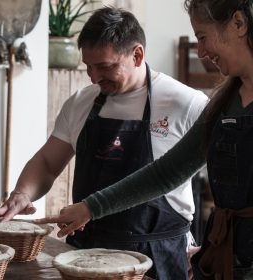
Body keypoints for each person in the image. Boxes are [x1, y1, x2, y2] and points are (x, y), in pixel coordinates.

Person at [0, 7, 209, 280]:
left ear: (137, 55)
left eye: (105, 66)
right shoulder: (81, 102)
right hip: (87, 253)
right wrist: (21, 193)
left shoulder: (187, 104)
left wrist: (210, 246)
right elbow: (46, 163)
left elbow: (221, 180)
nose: (93, 77)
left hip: (158, 253)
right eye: (88, 66)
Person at [33, 1, 253, 279]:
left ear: (238, 24)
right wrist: (91, 208)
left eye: (202, 37)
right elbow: (167, 172)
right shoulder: (224, 102)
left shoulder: (188, 101)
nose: (202, 51)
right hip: (228, 257)